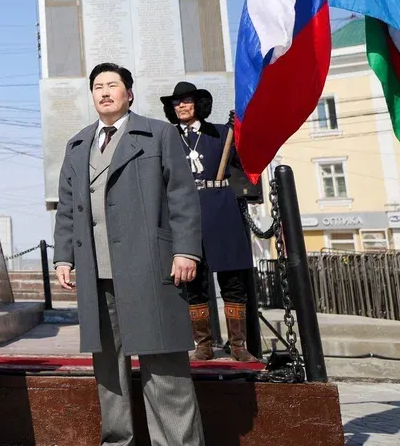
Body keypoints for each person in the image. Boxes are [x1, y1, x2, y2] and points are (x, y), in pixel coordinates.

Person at [54, 63, 206, 446]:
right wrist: (64, 257)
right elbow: (68, 208)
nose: (105, 92)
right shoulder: (77, 145)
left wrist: (186, 250)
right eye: (98, 87)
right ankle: (117, 441)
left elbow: (183, 197)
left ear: (129, 94)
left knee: (164, 365)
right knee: (108, 370)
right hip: (95, 271)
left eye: (113, 86)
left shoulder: (158, 134)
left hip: (150, 266)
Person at [161, 81, 258, 362]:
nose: (181, 106)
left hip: (222, 209)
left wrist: (240, 132)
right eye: (176, 102)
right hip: (187, 213)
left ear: (198, 104)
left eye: (187, 100)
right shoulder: (168, 138)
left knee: (232, 281)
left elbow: (245, 161)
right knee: (193, 280)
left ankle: (239, 345)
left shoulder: (220, 133)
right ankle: (203, 344)